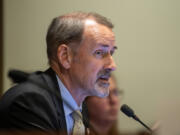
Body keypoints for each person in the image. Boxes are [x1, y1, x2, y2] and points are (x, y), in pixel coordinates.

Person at [0, 12, 117, 135]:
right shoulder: (30, 102)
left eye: (111, 53)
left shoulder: (79, 108)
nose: (112, 66)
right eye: (99, 52)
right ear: (65, 56)